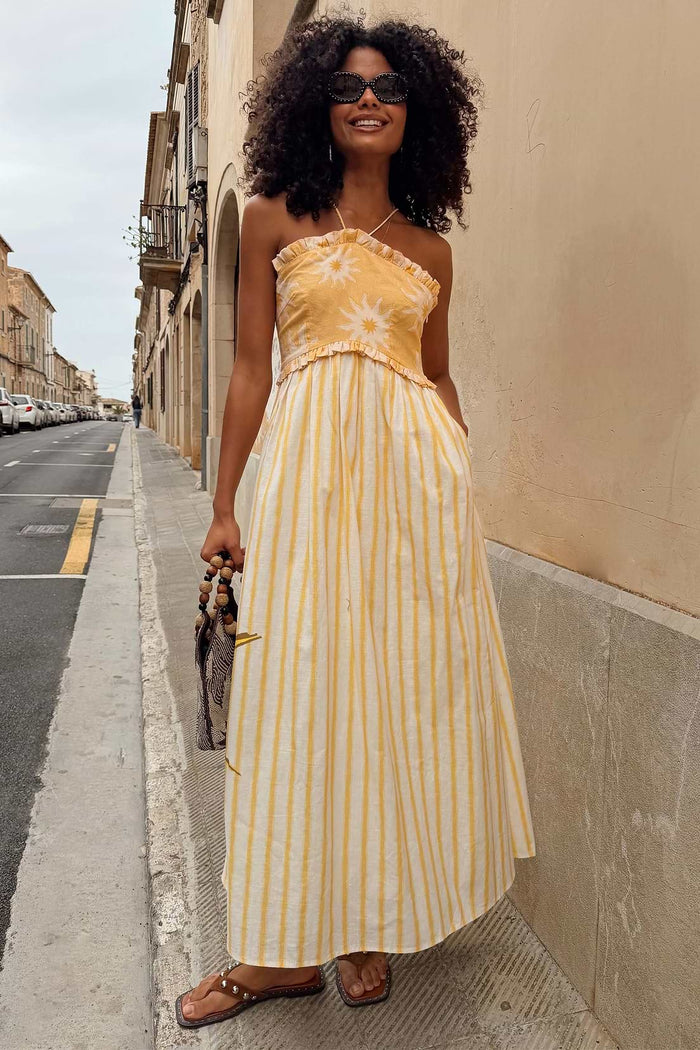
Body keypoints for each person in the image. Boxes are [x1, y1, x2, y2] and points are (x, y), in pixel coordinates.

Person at [177, 11, 536, 1030]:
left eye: (385, 86)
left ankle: (365, 922)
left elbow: (439, 377)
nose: (367, 99)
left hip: (415, 500)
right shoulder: (273, 219)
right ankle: (272, 951)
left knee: (390, 701)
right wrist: (222, 503)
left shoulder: (431, 248)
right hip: (304, 483)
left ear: (416, 109)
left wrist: (456, 490)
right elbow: (251, 368)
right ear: (317, 108)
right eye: (345, 87)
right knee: (296, 697)